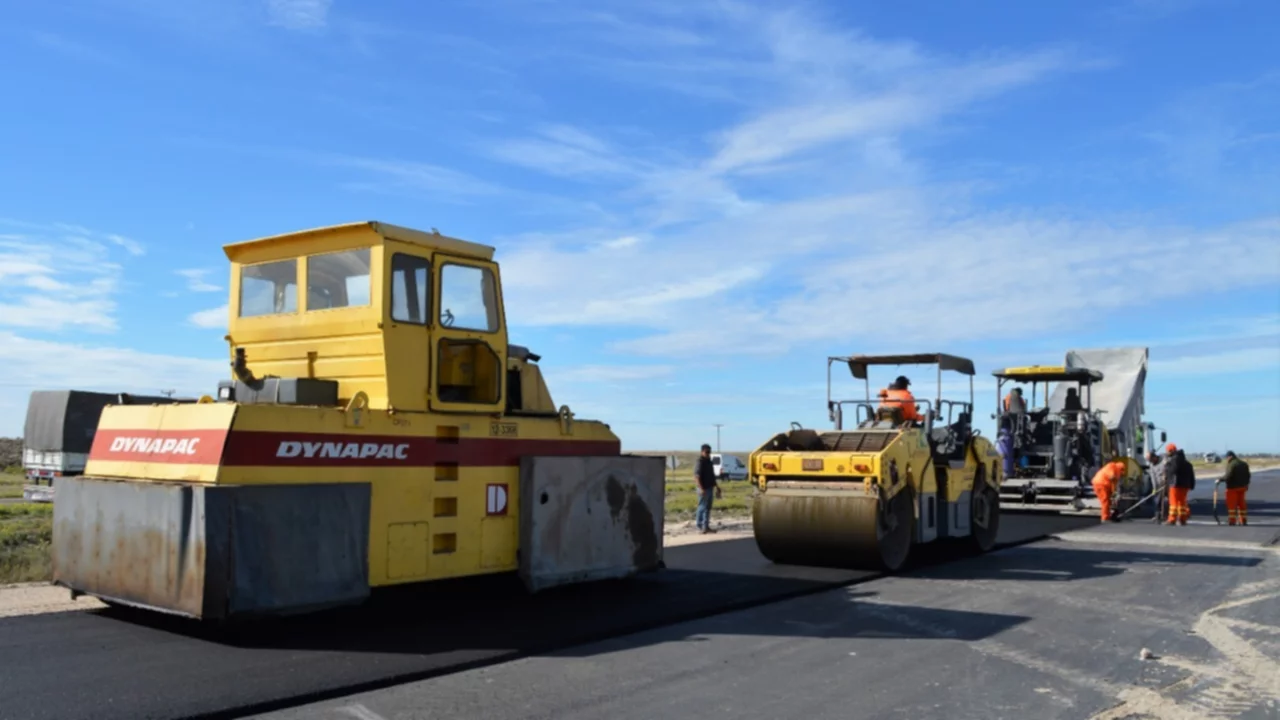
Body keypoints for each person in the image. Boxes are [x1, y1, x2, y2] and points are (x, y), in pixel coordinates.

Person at [1163, 443, 1195, 525]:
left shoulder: (1174, 460)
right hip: (1185, 486)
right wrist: (1191, 484)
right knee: (1182, 503)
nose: (1167, 453)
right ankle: (1182, 519)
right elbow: (1191, 475)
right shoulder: (1187, 463)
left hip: (1175, 484)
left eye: (1168, 451)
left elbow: (1172, 470)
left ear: (1171, 451)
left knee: (1173, 502)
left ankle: (1172, 519)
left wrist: (1167, 466)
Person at [693, 443, 722, 534]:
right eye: (706, 452)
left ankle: (706, 527)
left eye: (709, 452)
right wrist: (701, 488)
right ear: (702, 452)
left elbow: (712, 476)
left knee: (708, 508)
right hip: (703, 488)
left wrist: (717, 486)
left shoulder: (709, 462)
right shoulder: (700, 462)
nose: (708, 454)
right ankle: (700, 525)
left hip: (710, 487)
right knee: (702, 507)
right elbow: (697, 477)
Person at [1217, 451, 1251, 526]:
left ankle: (1232, 521)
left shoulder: (1232, 464)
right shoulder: (1244, 464)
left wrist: (1220, 479)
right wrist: (1246, 484)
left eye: (1227, 458)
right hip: (1243, 487)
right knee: (1242, 504)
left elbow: (1228, 475)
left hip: (1232, 488)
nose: (1227, 459)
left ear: (1230, 457)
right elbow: (1248, 475)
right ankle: (1243, 520)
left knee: (1231, 505)